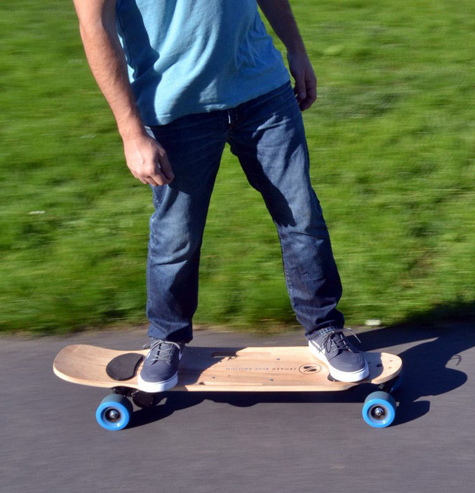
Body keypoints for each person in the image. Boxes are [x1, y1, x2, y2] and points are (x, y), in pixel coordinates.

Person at [72, 0, 367, 392]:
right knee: (178, 233)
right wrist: (131, 131)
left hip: (262, 88)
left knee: (301, 215)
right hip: (175, 107)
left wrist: (296, 49)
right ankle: (166, 339)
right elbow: (94, 26)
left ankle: (325, 329)